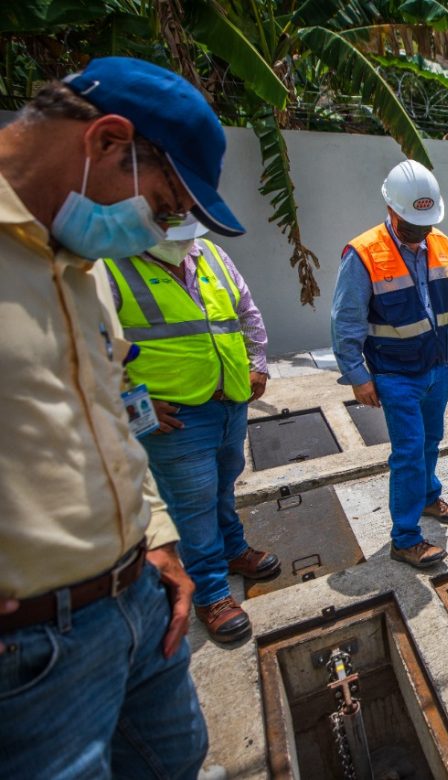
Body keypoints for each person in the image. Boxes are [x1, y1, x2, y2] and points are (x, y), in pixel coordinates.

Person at [0, 56, 246, 778]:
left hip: (141, 597)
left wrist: (157, 540)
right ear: (108, 141)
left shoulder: (79, 269)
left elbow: (108, 417)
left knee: (178, 758)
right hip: (32, 652)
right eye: (165, 206)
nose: (160, 227)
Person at [104, 216, 278, 644]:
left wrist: (257, 365)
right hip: (175, 414)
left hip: (229, 399)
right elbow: (92, 348)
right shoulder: (110, 268)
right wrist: (133, 405)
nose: (182, 246)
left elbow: (246, 313)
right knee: (192, 502)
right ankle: (212, 593)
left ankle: (234, 549)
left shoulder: (212, 255)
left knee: (222, 485)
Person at [332, 160, 448, 569]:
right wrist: (358, 376)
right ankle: (405, 538)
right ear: (391, 210)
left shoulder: (439, 241)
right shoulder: (363, 253)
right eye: (412, 224)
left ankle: (426, 497)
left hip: (436, 367)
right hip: (394, 374)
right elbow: (346, 320)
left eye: (425, 224)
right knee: (408, 452)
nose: (420, 232)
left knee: (431, 441)